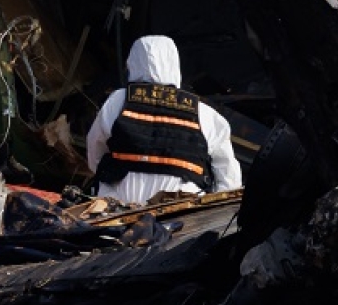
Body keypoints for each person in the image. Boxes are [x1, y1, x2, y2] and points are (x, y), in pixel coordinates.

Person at [86, 34, 243, 205]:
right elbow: (228, 178)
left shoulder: (117, 101)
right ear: (174, 64)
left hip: (121, 208)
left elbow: (95, 152)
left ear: (132, 64)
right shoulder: (203, 113)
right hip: (181, 210)